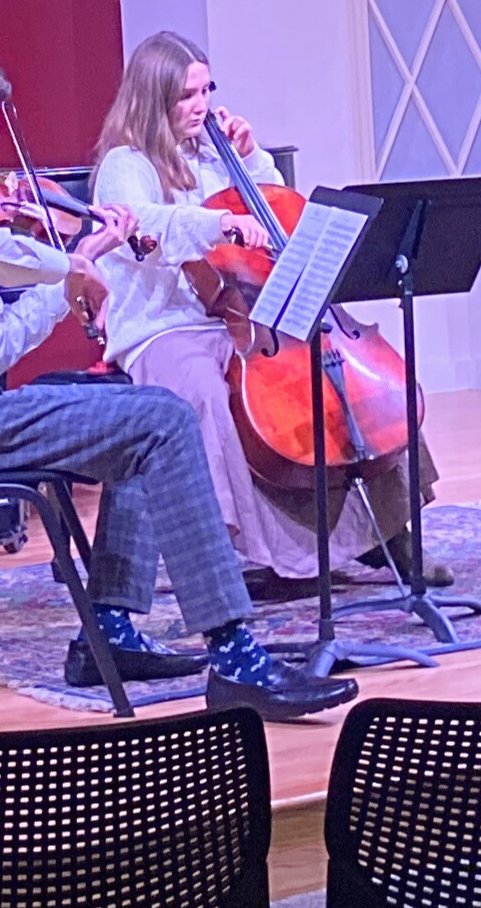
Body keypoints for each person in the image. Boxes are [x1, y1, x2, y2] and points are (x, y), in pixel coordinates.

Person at [0, 38, 357, 718]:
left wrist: (88, 263)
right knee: (165, 417)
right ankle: (236, 657)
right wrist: (63, 267)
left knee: (140, 410)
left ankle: (106, 630)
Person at [90, 31, 434, 597]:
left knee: (343, 370)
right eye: (185, 96)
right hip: (165, 326)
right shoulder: (126, 165)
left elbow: (277, 218)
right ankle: (262, 556)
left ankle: (391, 531)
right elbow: (144, 224)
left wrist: (250, 158)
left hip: (244, 313)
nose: (200, 106)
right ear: (154, 99)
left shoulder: (214, 152)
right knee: (204, 389)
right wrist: (215, 224)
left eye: (206, 90)